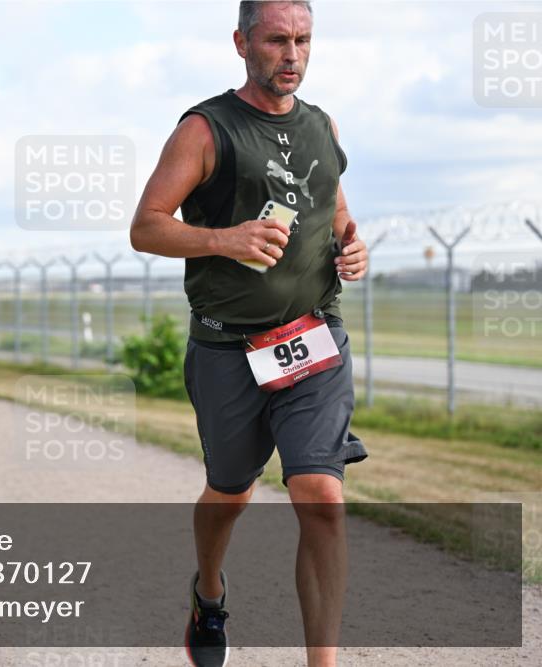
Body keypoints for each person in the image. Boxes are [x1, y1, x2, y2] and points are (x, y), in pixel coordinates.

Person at [130, 3, 370, 666]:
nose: (291, 54)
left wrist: (352, 247)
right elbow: (146, 226)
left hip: (313, 339)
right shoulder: (206, 130)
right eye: (276, 40)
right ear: (242, 43)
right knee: (230, 491)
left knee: (320, 494)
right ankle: (209, 592)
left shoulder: (323, 126)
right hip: (228, 348)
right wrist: (224, 238)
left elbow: (335, 212)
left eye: (302, 41)